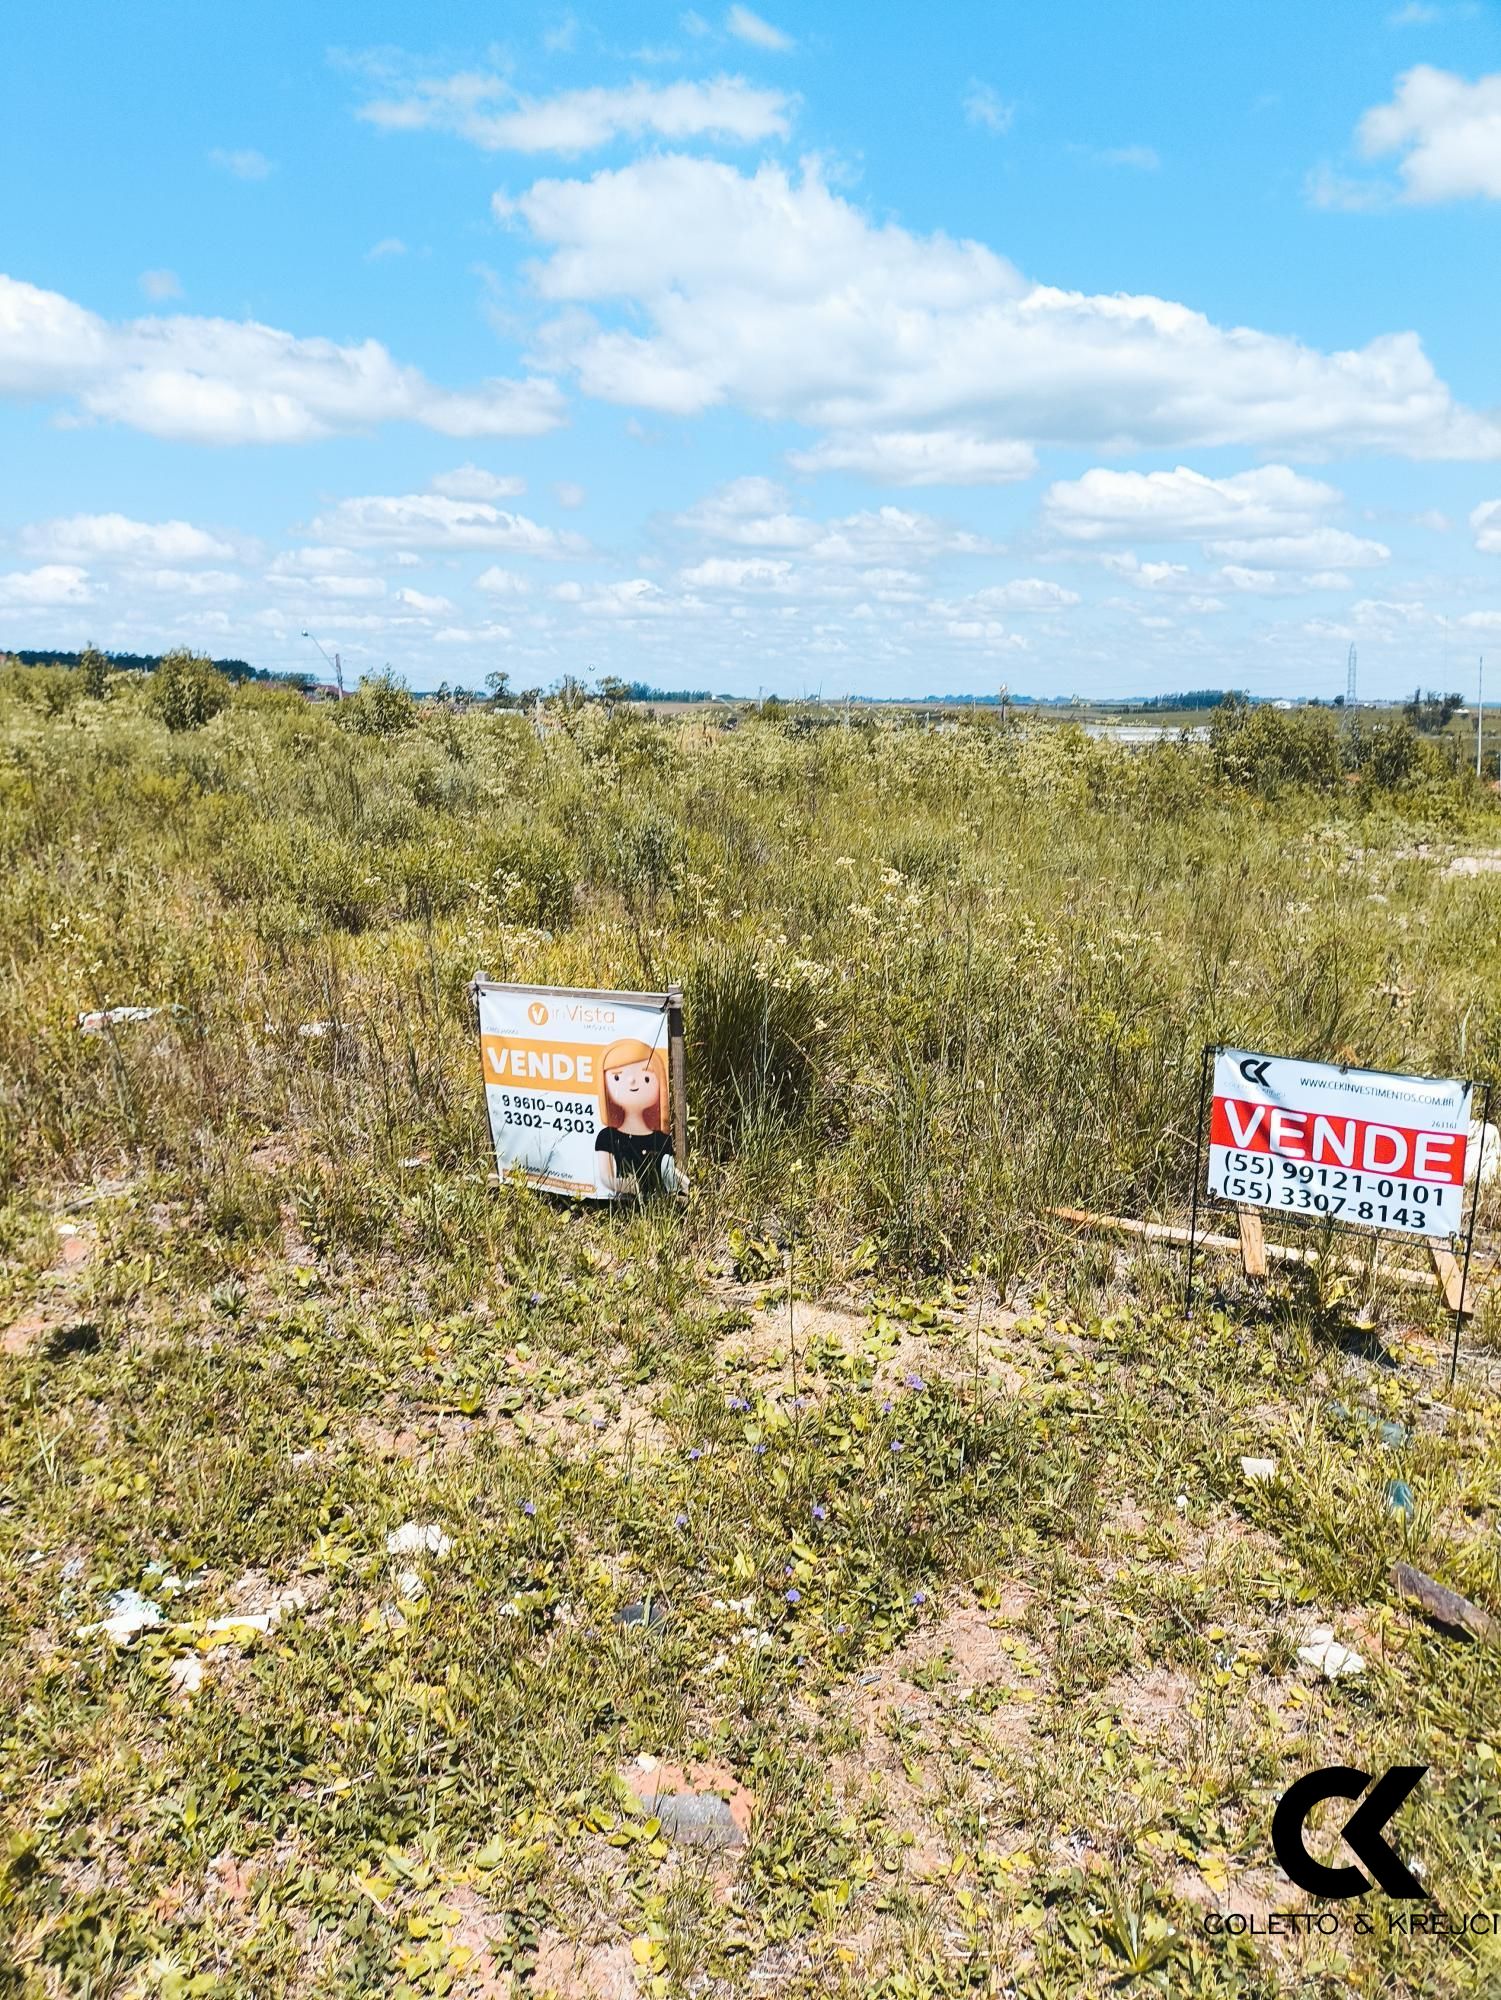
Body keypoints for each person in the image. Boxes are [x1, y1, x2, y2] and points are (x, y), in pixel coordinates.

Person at [594, 1036, 686, 1195]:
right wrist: (628, 1186)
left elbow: (669, 1172)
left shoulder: (663, 1139)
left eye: (646, 1078)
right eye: (617, 1077)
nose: (632, 1082)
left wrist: (684, 1186)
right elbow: (605, 1178)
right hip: (624, 1203)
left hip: (660, 1201)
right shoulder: (606, 1136)